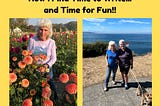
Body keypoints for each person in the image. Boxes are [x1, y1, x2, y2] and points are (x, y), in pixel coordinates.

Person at [28, 18, 58, 99]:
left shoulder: (51, 42)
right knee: (35, 86)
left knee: (50, 84)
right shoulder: (32, 40)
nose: (43, 32)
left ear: (49, 31)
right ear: (38, 30)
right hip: (35, 68)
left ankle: (55, 99)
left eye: (45, 30)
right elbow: (28, 55)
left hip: (47, 68)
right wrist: (33, 65)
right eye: (41, 29)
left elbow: (53, 58)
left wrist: (46, 66)